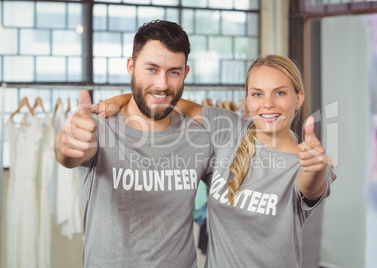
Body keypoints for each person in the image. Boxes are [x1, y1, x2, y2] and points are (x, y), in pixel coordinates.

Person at [95, 54, 335, 267]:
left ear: (299, 98)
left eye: (280, 93)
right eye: (257, 94)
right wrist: (121, 99)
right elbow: (164, 101)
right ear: (247, 100)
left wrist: (315, 168)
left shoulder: (306, 162)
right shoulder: (227, 129)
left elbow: (311, 187)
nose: (268, 103)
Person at [54, 20, 213, 267]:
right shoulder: (100, 125)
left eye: (173, 72)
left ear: (185, 73)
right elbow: (69, 155)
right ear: (131, 66)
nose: (162, 84)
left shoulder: (200, 137)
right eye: (151, 69)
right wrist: (68, 146)